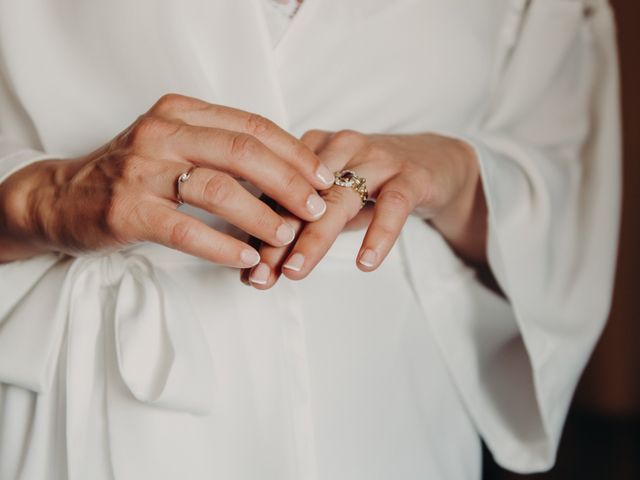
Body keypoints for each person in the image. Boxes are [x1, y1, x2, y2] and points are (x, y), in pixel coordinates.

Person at [0, 0, 621, 479]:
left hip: (386, 415)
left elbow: (569, 198)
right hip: (88, 398)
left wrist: (459, 176)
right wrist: (40, 198)